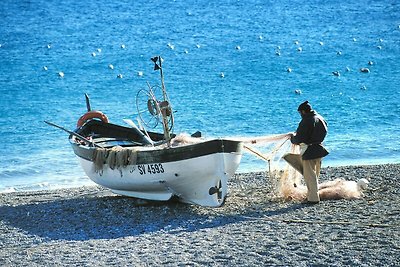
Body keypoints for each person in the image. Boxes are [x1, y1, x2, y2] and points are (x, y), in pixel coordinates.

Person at [283, 101, 329, 203]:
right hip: (319, 149)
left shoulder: (307, 121)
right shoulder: (321, 118)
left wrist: (292, 138)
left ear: (303, 111)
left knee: (310, 176)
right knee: (314, 175)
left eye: (300, 113)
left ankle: (313, 199)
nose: (300, 115)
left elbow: (299, 138)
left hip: (309, 151)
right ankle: (312, 195)